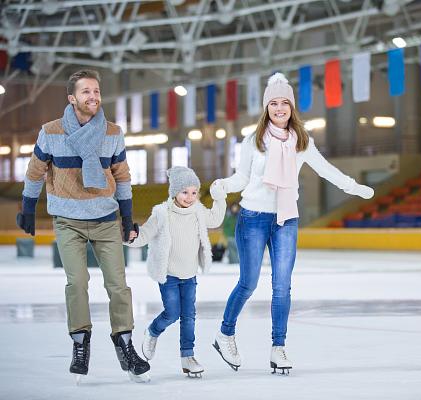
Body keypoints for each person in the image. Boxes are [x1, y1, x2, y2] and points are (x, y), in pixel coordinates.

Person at [210, 73, 374, 374]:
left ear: (292, 106)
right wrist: (223, 184)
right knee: (248, 283)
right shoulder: (253, 140)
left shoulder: (302, 141)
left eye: (284, 102)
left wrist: (353, 186)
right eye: (273, 103)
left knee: (282, 287)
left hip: (286, 219)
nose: (279, 108)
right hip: (253, 217)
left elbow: (326, 170)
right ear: (266, 107)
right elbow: (242, 177)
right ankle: (225, 333)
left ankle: (279, 347)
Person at [16, 69, 150, 383]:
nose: (93, 97)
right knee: (77, 283)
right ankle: (80, 343)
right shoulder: (51, 131)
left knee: (119, 285)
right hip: (68, 221)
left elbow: (122, 176)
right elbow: (36, 172)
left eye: (96, 91)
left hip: (105, 219)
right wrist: (26, 208)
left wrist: (127, 218)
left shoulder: (113, 132)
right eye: (86, 92)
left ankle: (125, 343)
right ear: (72, 98)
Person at [127, 166, 226, 378]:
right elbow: (145, 233)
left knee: (189, 316)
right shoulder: (162, 213)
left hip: (189, 275)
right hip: (169, 275)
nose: (190, 197)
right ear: (174, 192)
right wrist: (132, 237)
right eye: (185, 192)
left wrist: (219, 199)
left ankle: (187, 357)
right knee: (172, 313)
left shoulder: (199, 210)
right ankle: (153, 331)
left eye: (194, 192)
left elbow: (215, 220)